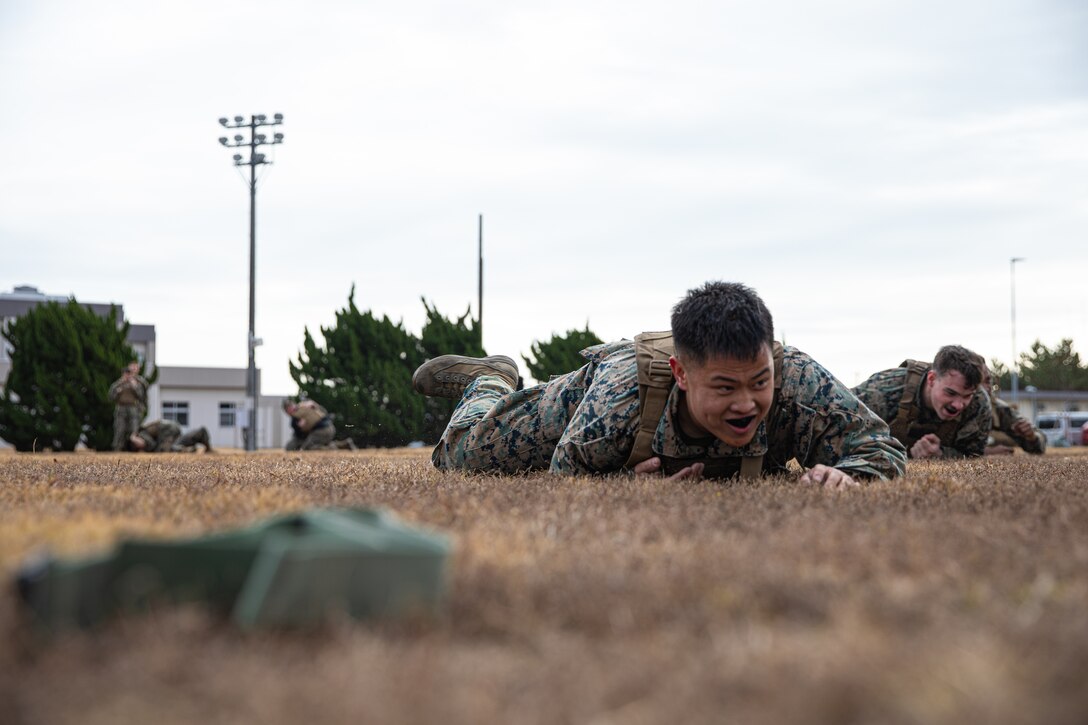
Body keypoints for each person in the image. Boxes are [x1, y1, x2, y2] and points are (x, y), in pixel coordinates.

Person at [413, 281, 907, 488]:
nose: (747, 403)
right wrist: (625, 486)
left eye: (759, 382)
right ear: (683, 375)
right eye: (724, 388)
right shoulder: (615, 406)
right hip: (581, 396)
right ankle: (490, 379)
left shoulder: (798, 382)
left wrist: (850, 475)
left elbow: (880, 447)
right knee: (458, 458)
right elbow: (567, 474)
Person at [852, 345, 993, 459]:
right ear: (931, 379)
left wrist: (941, 454)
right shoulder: (882, 389)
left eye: (967, 396)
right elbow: (840, 428)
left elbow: (973, 455)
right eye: (950, 393)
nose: (958, 405)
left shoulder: (979, 402)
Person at [977, 364, 1046, 456]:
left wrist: (1031, 436)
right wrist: (983, 452)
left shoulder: (999, 409)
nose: (985, 388)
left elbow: (1039, 443)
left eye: (988, 381)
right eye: (977, 382)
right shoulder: (953, 408)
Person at [283, 399, 355, 450]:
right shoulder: (306, 406)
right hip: (330, 428)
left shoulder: (297, 415)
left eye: (290, 407)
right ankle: (344, 444)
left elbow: (301, 436)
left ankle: (331, 448)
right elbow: (324, 412)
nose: (291, 410)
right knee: (318, 444)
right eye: (289, 409)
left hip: (321, 430)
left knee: (307, 448)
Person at [108, 361, 148, 451]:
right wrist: (119, 388)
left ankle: (135, 449)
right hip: (121, 408)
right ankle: (117, 448)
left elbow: (142, 396)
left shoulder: (139, 382)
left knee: (134, 429)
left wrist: (135, 386)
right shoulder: (119, 382)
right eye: (131, 368)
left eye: (135, 367)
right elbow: (111, 396)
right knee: (119, 429)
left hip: (134, 408)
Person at [127, 419, 213, 453]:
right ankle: (200, 433)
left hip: (167, 430)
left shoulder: (141, 433)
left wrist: (134, 438)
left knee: (163, 450)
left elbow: (150, 444)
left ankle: (186, 450)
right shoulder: (145, 429)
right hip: (173, 426)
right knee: (180, 441)